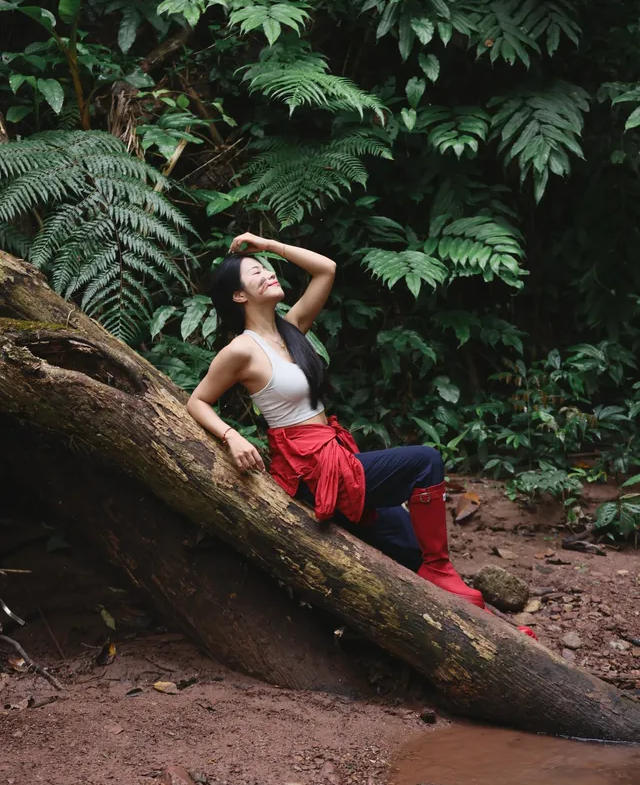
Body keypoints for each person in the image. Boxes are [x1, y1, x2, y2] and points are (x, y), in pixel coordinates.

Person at [187, 231, 491, 611]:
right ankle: (440, 568)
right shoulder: (241, 350)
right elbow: (197, 401)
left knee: (408, 546)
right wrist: (232, 436)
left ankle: (476, 614)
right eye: (256, 273)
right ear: (238, 295)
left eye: (266, 268)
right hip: (309, 469)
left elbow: (326, 270)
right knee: (425, 461)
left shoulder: (291, 329)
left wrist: (268, 245)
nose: (268, 273)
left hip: (334, 456)